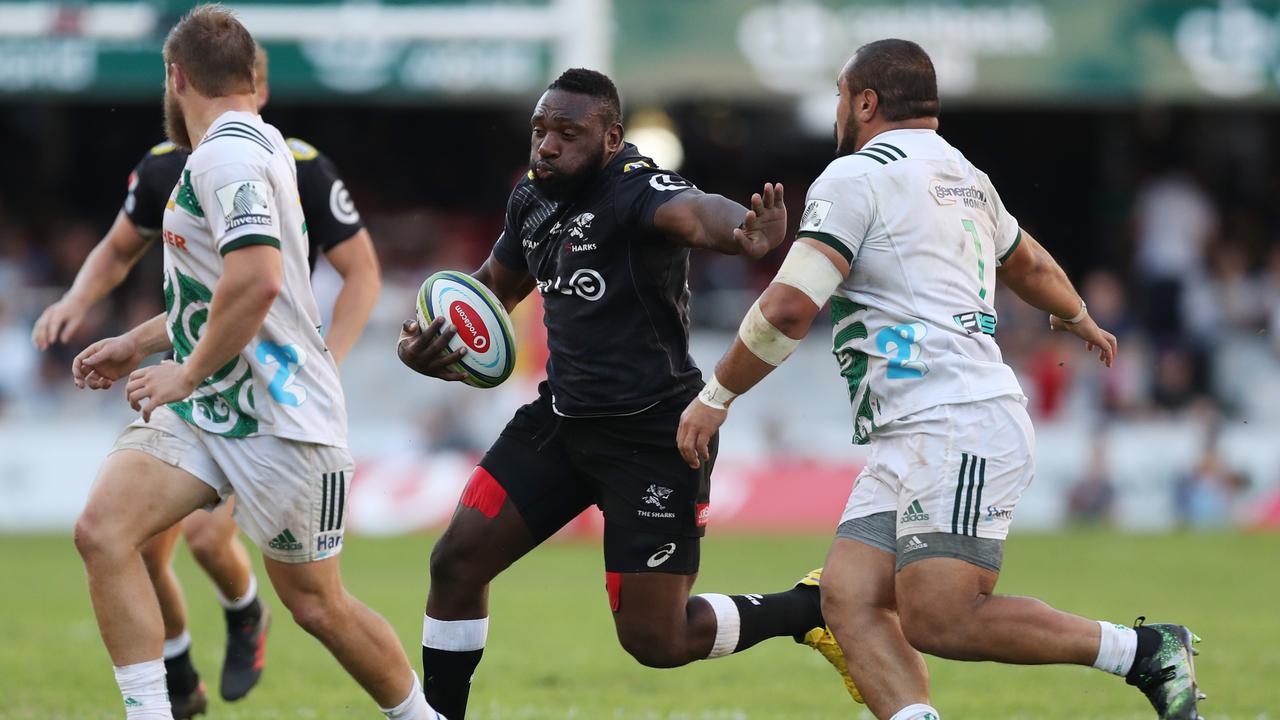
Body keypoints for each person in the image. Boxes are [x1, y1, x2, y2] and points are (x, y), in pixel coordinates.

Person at [677, 40, 1202, 720]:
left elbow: (788, 306)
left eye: (841, 96)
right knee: (848, 597)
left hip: (954, 420)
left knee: (941, 618)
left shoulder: (854, 177)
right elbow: (1026, 260)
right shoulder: (963, 175)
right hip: (915, 429)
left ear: (865, 102)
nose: (839, 109)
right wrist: (1074, 312)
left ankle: (1141, 650)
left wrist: (715, 396)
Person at [396, 68, 860, 720]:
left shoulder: (635, 189)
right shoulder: (531, 198)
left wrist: (744, 231)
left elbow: (696, 212)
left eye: (568, 133)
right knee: (455, 563)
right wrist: (428, 337)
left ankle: (807, 609)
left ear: (612, 138)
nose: (547, 146)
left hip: (655, 436)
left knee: (656, 640)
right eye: (539, 131)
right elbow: (492, 289)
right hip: (560, 422)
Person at [69, 6, 436, 719]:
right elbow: (224, 290)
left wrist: (185, 370)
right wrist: (138, 345)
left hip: (283, 420)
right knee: (104, 532)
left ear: (176, 78)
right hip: (215, 411)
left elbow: (260, 280)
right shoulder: (255, 145)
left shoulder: (226, 157)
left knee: (317, 606)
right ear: (250, 78)